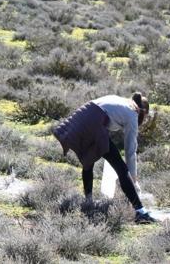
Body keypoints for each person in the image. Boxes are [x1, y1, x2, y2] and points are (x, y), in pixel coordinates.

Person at [53, 92, 157, 224]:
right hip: (93, 122)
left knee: (88, 160)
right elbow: (130, 152)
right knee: (120, 167)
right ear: (143, 111)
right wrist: (134, 179)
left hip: (82, 116)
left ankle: (88, 202)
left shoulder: (121, 101)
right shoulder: (132, 114)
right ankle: (140, 211)